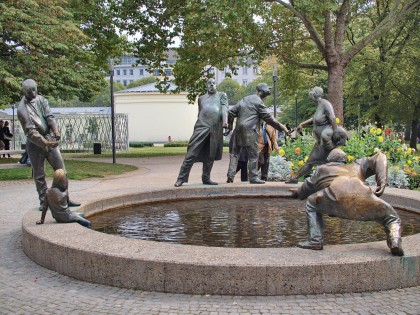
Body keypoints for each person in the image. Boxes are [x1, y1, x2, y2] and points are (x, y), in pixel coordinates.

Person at [290, 148, 404, 256]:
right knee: (392, 218)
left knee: (312, 202)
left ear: (328, 160)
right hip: (364, 196)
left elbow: (307, 186)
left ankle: (315, 240)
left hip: (334, 196)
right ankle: (394, 241)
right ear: (345, 160)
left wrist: (297, 193)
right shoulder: (357, 165)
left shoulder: (322, 169)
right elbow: (380, 156)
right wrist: (382, 181)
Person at [17, 79, 80, 209]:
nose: (34, 93)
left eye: (35, 90)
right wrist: (44, 142)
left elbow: (49, 116)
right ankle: (43, 202)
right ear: (24, 91)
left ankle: (65, 198)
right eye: (30, 91)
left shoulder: (41, 99)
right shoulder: (21, 109)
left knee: (61, 170)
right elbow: (30, 131)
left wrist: (55, 131)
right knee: (39, 175)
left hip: (49, 138)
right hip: (35, 144)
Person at [226, 83, 289, 184]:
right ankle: (254, 177)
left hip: (238, 130)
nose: (270, 88)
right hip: (251, 130)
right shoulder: (258, 102)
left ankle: (230, 175)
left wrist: (230, 126)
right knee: (253, 155)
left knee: (235, 154)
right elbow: (269, 119)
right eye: (268, 87)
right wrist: (282, 128)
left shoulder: (245, 99)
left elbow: (231, 112)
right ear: (262, 89)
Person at [286, 86, 347, 184]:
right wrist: (302, 124)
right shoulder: (319, 105)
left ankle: (296, 178)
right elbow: (314, 119)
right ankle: (295, 178)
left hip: (327, 141)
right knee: (312, 161)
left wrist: (335, 132)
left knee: (321, 162)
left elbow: (332, 118)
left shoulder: (326, 104)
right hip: (320, 142)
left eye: (311, 93)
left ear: (315, 94)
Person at [174, 78, 228, 187]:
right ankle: (181, 178)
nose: (212, 85)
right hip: (201, 126)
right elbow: (199, 113)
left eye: (214, 83)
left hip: (215, 128)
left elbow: (224, 109)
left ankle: (206, 178)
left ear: (216, 85)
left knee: (210, 155)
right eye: (209, 83)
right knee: (191, 152)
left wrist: (225, 122)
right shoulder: (201, 98)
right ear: (206, 86)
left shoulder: (222, 95)